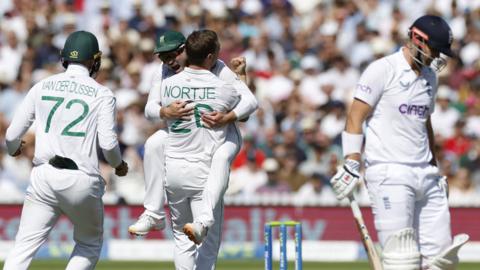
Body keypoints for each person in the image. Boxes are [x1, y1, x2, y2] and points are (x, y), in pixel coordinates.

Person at [330, 15, 469, 270]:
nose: (436, 57)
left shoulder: (431, 78)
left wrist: (434, 166)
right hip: (389, 172)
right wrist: (351, 162)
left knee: (442, 261)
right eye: (434, 50)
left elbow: (424, 122)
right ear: (417, 39)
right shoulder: (382, 69)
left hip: (425, 174)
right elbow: (355, 116)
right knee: (400, 260)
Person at [3, 30, 128, 270]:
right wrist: (118, 165)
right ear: (94, 60)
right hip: (81, 178)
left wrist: (14, 150)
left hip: (44, 176)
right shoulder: (103, 93)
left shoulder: (42, 85)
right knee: (89, 244)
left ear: (64, 59)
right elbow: (109, 144)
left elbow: (11, 136)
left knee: (23, 247)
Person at [160, 29, 240, 270]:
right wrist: (241, 78)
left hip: (173, 170)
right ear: (211, 56)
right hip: (204, 170)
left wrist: (164, 111)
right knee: (207, 241)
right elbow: (247, 106)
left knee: (182, 242)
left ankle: (151, 211)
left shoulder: (167, 85)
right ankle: (202, 221)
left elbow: (153, 110)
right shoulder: (222, 86)